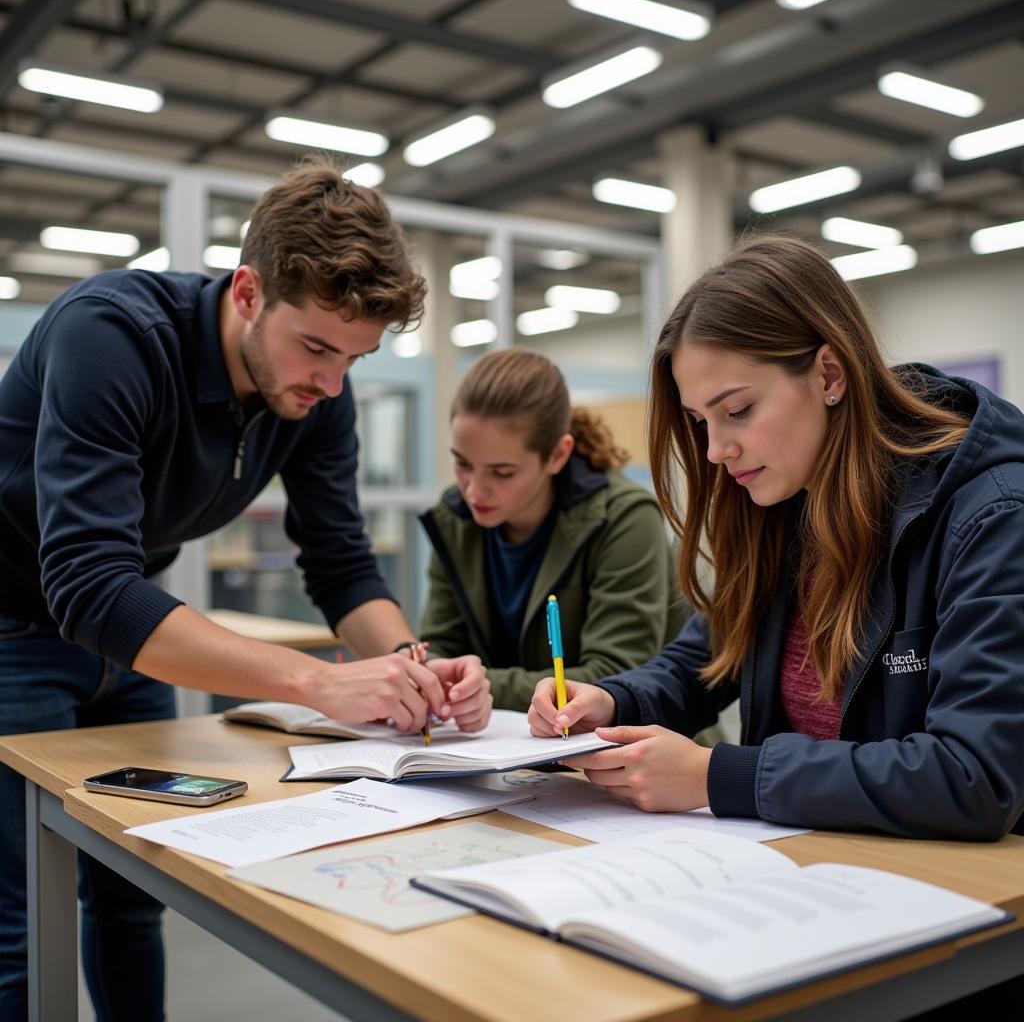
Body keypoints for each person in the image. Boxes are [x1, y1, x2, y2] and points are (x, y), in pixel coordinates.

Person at [0, 155, 490, 1021]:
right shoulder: (109, 334)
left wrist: (417, 667)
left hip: (131, 631)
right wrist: (317, 680)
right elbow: (83, 580)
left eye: (355, 359)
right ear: (249, 292)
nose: (333, 385)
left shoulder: (316, 393)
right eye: (317, 349)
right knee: (16, 919)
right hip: (16, 624)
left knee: (128, 888)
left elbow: (340, 562)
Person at [529, 235, 1024, 841]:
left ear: (830, 375)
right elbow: (708, 660)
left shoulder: (991, 513)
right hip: (797, 866)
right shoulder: (786, 498)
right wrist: (611, 703)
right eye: (701, 422)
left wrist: (719, 775)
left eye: (737, 410)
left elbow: (973, 775)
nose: (715, 451)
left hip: (952, 890)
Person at [419, 347, 684, 711]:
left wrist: (476, 686)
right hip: (504, 747)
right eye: (463, 464)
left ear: (558, 455)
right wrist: (425, 675)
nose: (473, 490)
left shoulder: (626, 519)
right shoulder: (454, 517)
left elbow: (617, 676)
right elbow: (439, 647)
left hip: (634, 748)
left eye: (502, 472)